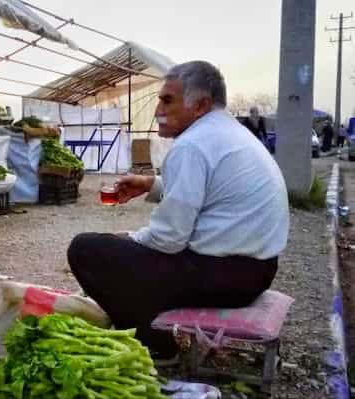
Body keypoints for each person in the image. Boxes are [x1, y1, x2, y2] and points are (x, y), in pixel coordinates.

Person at [67, 61, 289, 362]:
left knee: (86, 250)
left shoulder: (192, 145)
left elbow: (168, 238)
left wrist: (125, 239)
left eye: (167, 100)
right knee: (123, 253)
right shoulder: (226, 132)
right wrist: (151, 184)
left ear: (200, 105)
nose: (158, 108)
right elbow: (207, 192)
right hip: (257, 270)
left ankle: (154, 343)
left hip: (225, 276)